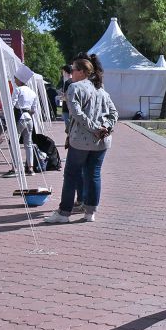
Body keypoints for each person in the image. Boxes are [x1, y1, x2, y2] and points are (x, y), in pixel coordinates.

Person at [44, 54, 118, 223]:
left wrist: (95, 128)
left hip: (82, 140)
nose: (71, 72)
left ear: (82, 72)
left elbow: (77, 114)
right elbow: (114, 113)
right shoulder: (101, 90)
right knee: (94, 174)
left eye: (74, 69)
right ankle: (90, 212)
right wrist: (105, 127)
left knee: (71, 174)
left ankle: (64, 213)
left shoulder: (75, 88)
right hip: (101, 140)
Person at [2, 64, 39, 177]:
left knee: (13, 142)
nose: (14, 80)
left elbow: (11, 105)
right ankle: (31, 168)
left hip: (20, 118)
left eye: (15, 78)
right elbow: (34, 109)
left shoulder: (18, 90)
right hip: (29, 119)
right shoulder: (33, 92)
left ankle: (15, 167)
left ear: (20, 79)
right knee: (28, 143)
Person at [58, 65, 73, 132]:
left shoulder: (67, 82)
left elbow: (66, 96)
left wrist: (62, 97)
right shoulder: (75, 81)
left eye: (63, 71)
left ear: (65, 72)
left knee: (68, 129)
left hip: (66, 108)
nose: (62, 73)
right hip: (73, 108)